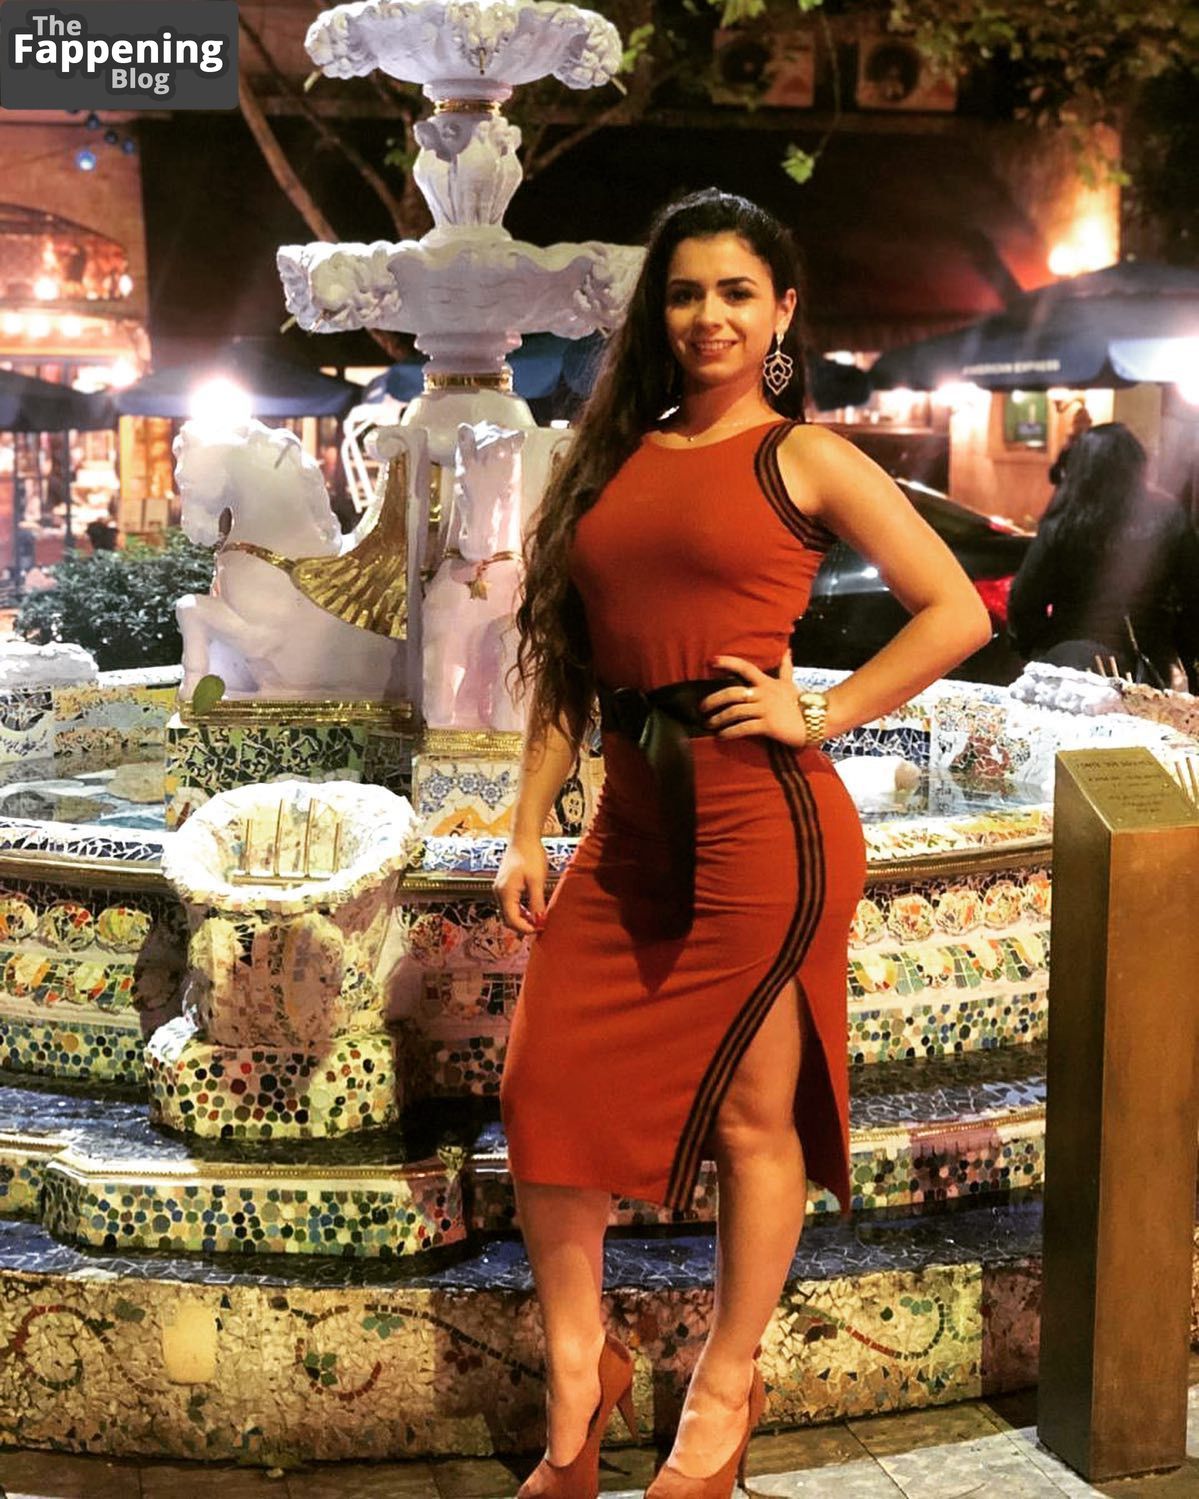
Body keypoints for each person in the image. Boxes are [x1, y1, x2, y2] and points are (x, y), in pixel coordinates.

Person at [493, 188, 991, 1499]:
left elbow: (952, 610)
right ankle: (578, 1368)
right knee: (542, 1088)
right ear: (654, 312)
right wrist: (526, 821)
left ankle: (723, 1390)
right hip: (628, 826)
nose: (705, 316)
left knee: (754, 1117)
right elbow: (565, 664)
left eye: (733, 292)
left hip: (763, 821)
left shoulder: (803, 457)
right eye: (682, 292)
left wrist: (818, 708)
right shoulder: (606, 457)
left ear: (780, 312)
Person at [1009, 421, 1199, 689]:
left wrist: (1037, 648)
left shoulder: (1063, 519)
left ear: (1080, 467)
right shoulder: (1168, 516)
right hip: (1144, 661)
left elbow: (1025, 599)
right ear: (1138, 465)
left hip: (1070, 660)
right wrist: (1185, 654)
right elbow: (1193, 597)